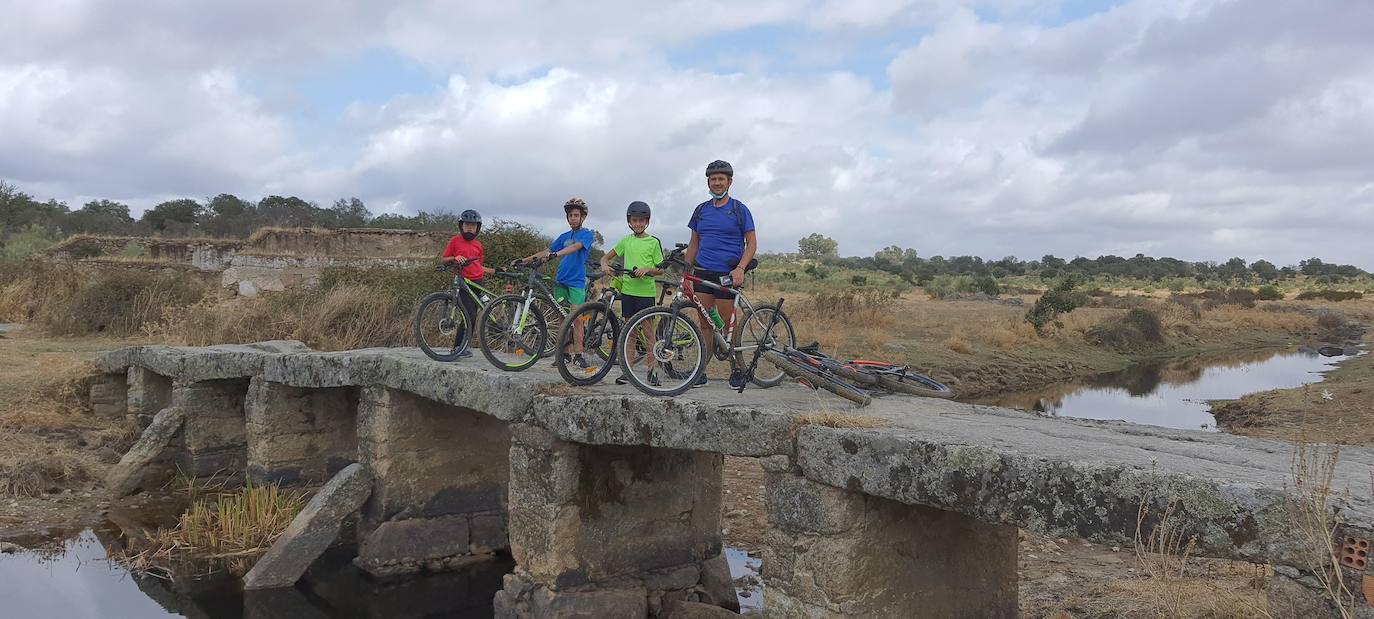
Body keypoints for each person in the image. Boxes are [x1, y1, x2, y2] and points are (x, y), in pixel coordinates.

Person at [685, 159, 756, 387]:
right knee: (705, 323)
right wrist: (686, 272)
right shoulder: (701, 210)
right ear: (708, 181)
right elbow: (693, 244)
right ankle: (701, 370)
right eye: (713, 179)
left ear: (729, 182)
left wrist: (740, 268)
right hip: (703, 272)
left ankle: (736, 368)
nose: (717, 183)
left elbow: (751, 244)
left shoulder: (739, 209)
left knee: (727, 324)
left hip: (727, 273)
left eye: (721, 179)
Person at [520, 197, 595, 367]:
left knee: (576, 318)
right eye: (570, 216)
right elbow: (547, 251)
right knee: (562, 317)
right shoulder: (563, 236)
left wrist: (557, 254)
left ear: (582, 217)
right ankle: (564, 353)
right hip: (560, 281)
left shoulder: (586, 234)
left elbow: (575, 248)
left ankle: (578, 354)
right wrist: (523, 260)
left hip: (576, 282)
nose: (573, 218)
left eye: (576, 215)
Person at [600, 201, 664, 386]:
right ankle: (628, 371)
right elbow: (606, 257)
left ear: (647, 221)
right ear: (629, 221)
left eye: (641, 220)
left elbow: (660, 270)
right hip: (628, 291)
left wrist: (647, 269)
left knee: (649, 333)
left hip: (645, 293)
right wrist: (604, 264)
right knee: (630, 333)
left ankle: (653, 372)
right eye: (635, 220)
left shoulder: (653, 242)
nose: (638, 224)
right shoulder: (625, 241)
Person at [441, 209, 496, 357]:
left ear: (478, 227)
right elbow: (444, 259)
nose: (470, 227)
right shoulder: (454, 241)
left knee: (478, 313)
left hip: (478, 282)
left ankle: (464, 346)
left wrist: (492, 271)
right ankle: (458, 347)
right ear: (461, 226)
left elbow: (478, 265)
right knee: (469, 314)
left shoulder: (478, 245)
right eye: (467, 225)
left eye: (473, 225)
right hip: (463, 281)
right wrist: (455, 258)